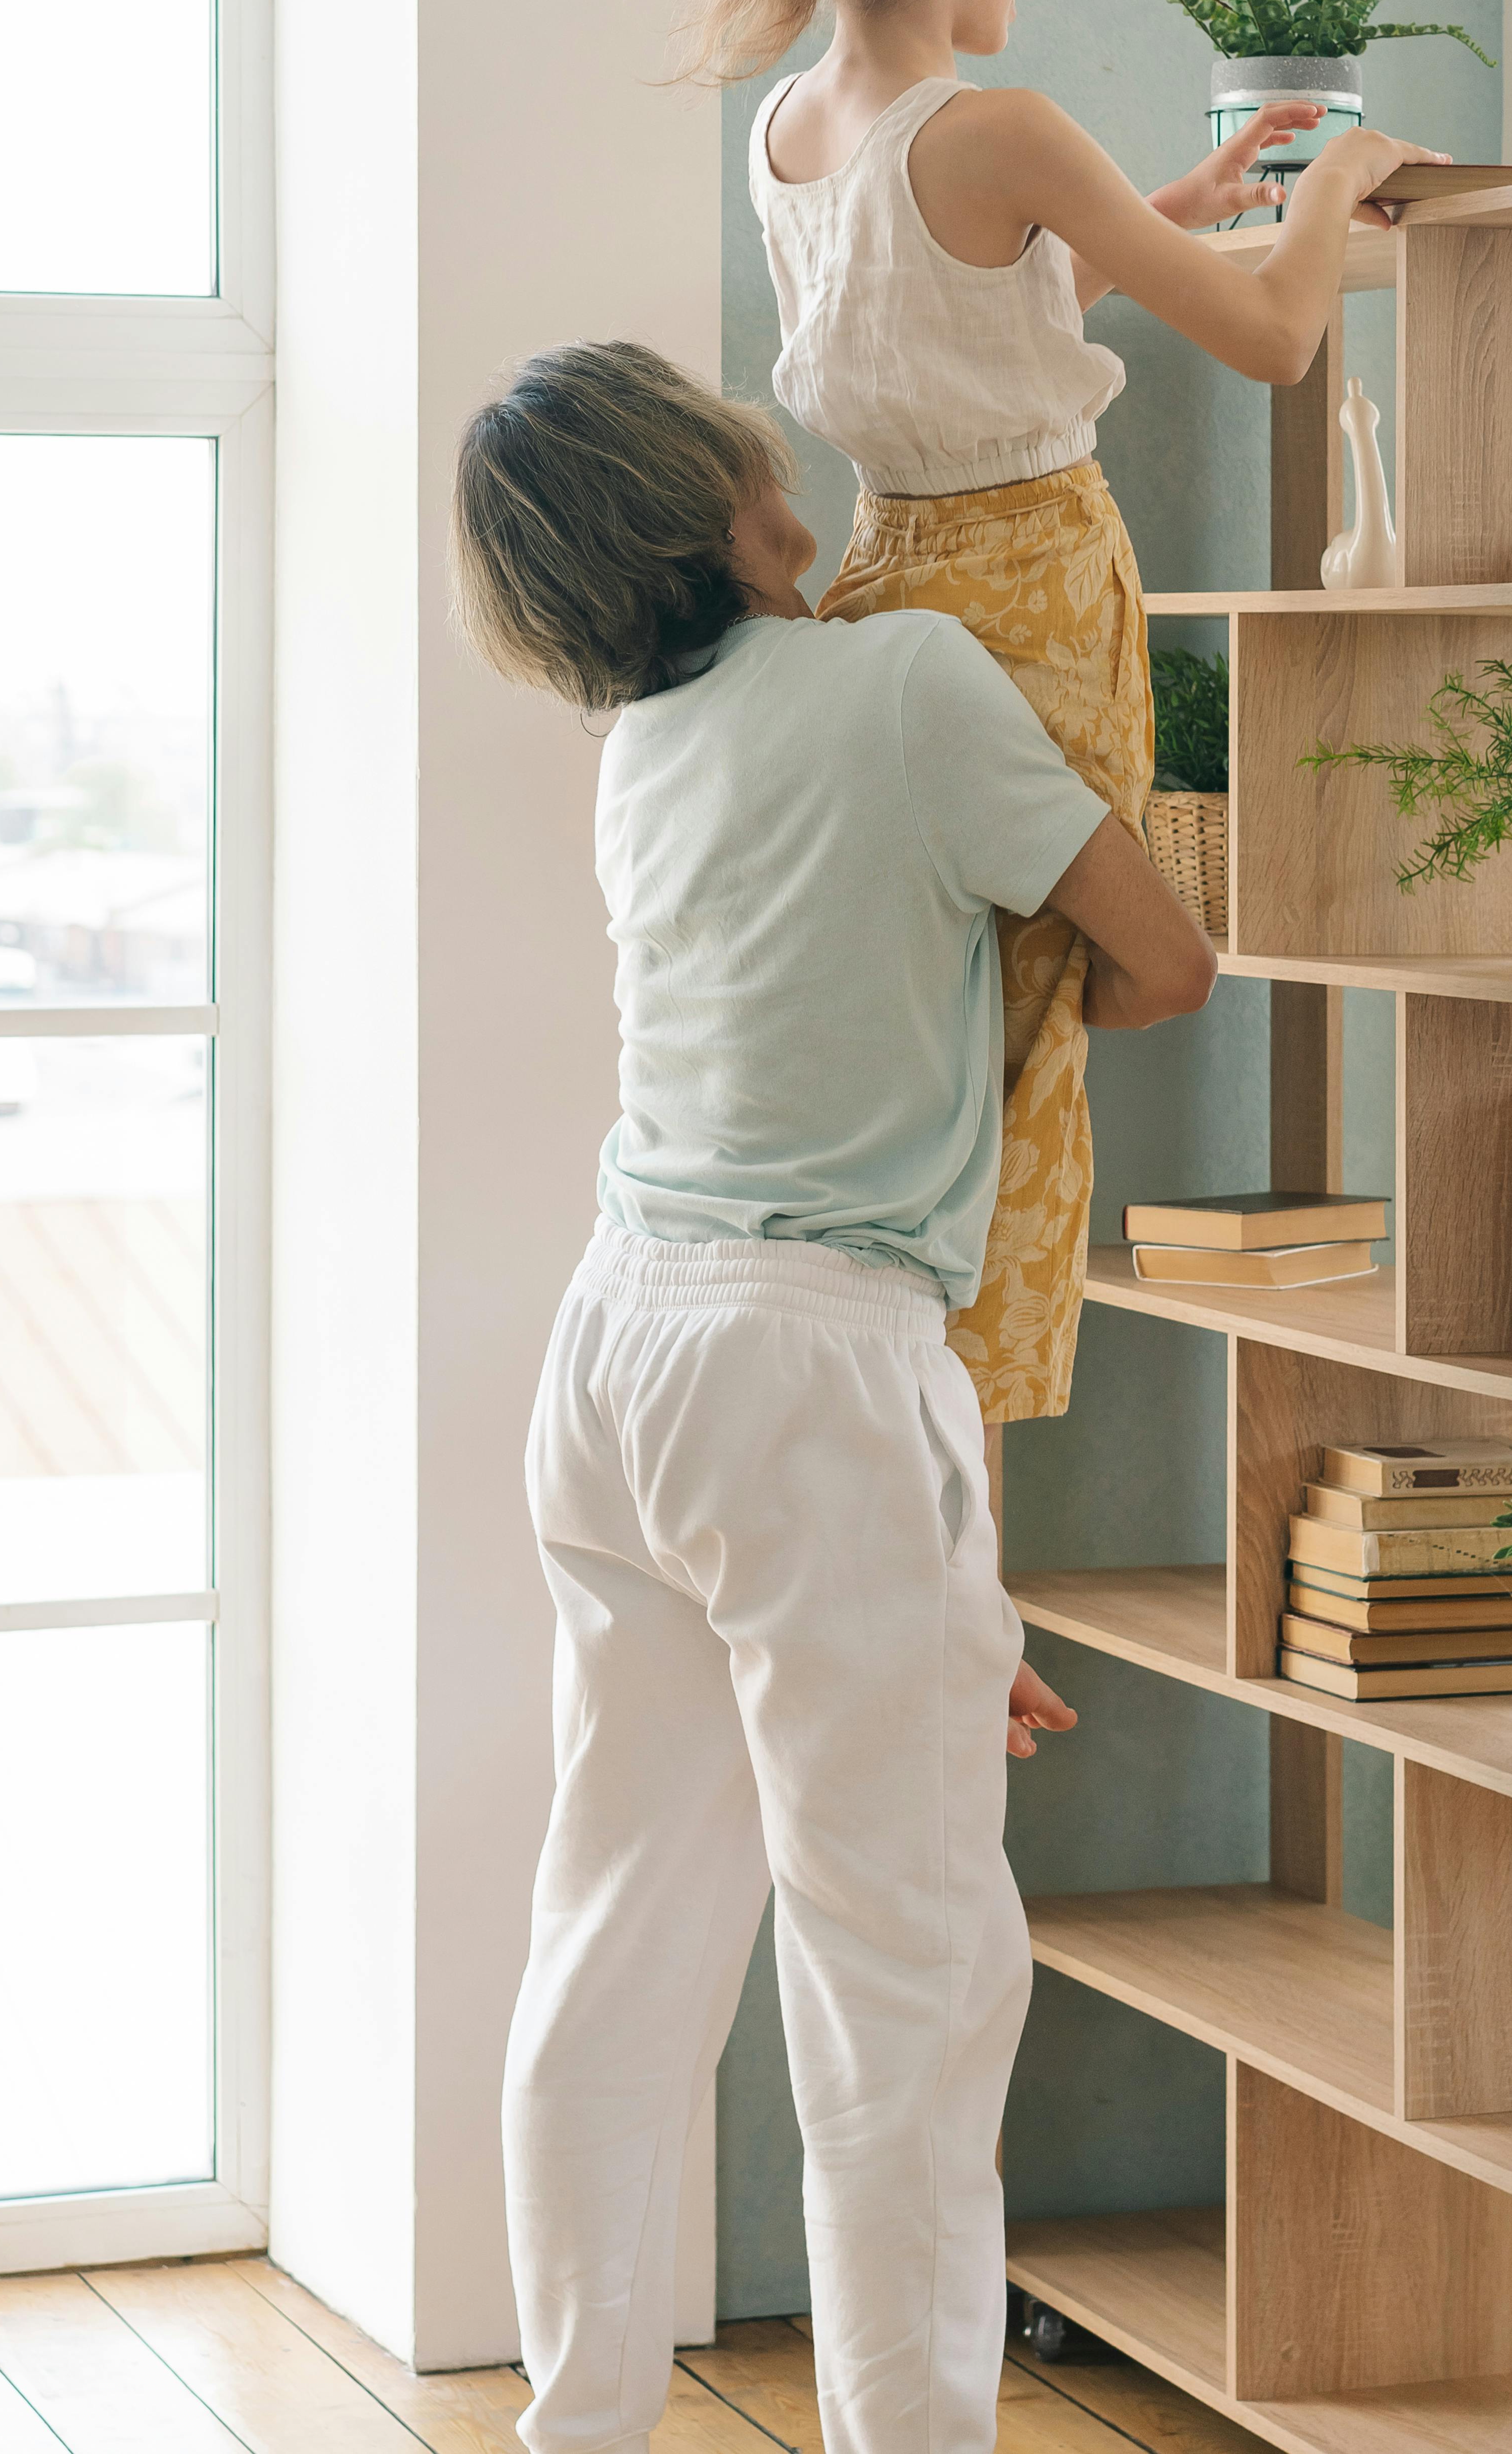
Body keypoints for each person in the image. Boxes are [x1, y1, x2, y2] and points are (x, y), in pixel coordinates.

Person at [457, 339, 1216, 2454]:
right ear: (707, 490)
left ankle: (581, 2417)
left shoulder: (644, 744)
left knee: (618, 1927)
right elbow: (1164, 959)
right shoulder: (906, 685)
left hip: (621, 1347)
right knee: (904, 1973)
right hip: (813, 1358)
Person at [692, 0, 1438, 1425]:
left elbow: (955, 333)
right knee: (1030, 1050)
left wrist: (1174, 208)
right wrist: (1327, 178)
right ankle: (960, 1477)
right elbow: (1274, 339)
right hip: (1036, 602)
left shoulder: (791, 132)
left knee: (950, 1020)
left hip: (896, 593)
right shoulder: (1000, 128)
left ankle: (908, 1447)